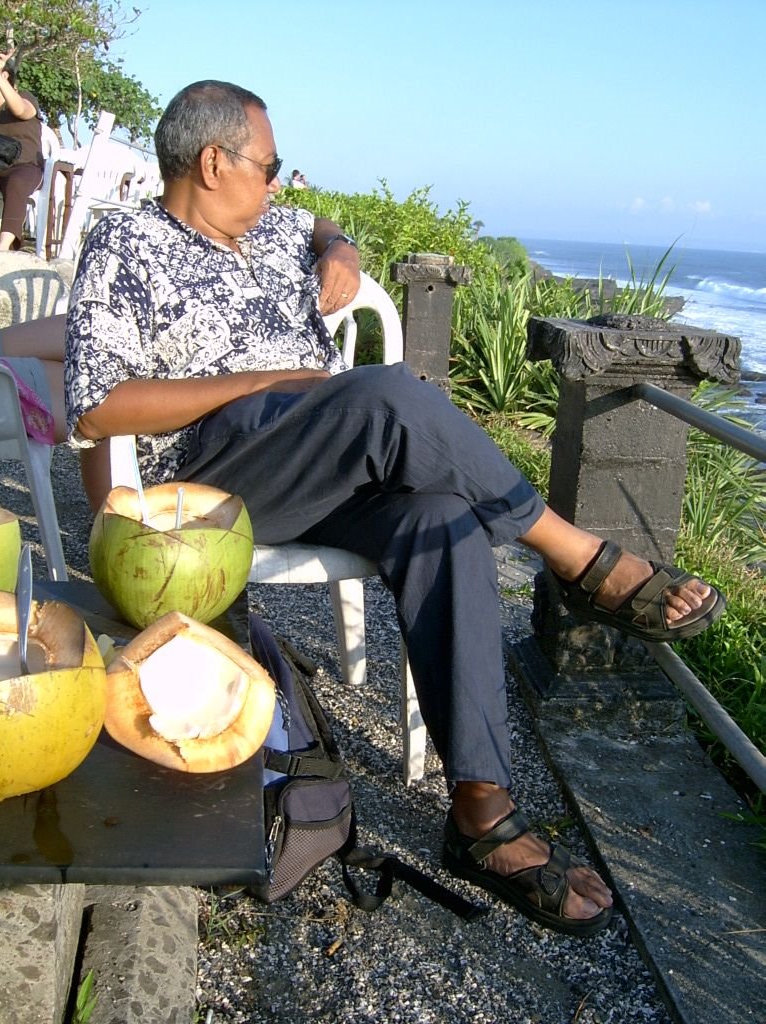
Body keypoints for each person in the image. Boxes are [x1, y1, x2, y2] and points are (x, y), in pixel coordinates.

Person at [63, 81, 725, 938]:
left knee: (441, 520)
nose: (277, 183)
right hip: (209, 484)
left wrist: (339, 248)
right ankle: (586, 562)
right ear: (213, 161)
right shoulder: (128, 242)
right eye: (268, 167)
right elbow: (98, 405)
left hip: (321, 464)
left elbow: (318, 227)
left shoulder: (271, 228)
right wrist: (268, 380)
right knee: (388, 398)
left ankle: (482, 813)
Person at [0, 49, 44, 252]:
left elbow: (20, 110)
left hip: (25, 168)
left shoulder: (25, 98)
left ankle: (3, 247)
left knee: (16, 182)